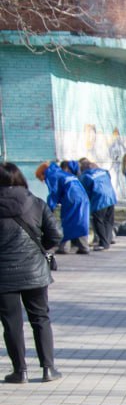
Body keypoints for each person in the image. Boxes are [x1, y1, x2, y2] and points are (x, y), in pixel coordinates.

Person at [0, 163, 62, 383]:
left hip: (3, 274)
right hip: (35, 271)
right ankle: (48, 369)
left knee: (11, 323)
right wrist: (40, 249)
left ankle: (20, 371)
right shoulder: (35, 202)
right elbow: (55, 235)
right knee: (40, 318)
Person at [37, 162, 91, 254]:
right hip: (83, 198)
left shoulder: (51, 175)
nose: (43, 181)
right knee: (81, 222)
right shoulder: (62, 173)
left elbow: (54, 193)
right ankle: (84, 246)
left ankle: (64, 247)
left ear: (43, 173)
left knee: (67, 221)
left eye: (42, 179)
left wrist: (49, 208)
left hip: (71, 199)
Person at [78, 160, 117, 250]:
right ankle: (107, 241)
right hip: (111, 196)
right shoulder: (104, 171)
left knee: (98, 221)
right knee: (108, 220)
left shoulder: (86, 176)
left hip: (99, 199)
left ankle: (103, 243)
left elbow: (85, 191)